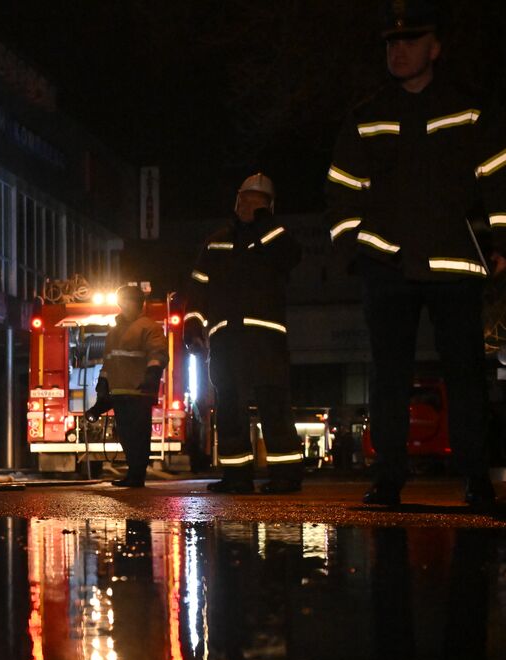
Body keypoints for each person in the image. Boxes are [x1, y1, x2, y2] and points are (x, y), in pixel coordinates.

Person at [325, 0, 506, 509]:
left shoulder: (471, 108)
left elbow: (498, 178)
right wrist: (355, 249)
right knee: (389, 376)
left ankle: (476, 479)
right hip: (388, 266)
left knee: (465, 375)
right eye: (391, 43)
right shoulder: (365, 116)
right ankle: (387, 479)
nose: (397, 51)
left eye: (409, 41)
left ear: (435, 47)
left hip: (454, 262)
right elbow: (340, 189)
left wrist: (501, 244)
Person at [184, 173, 305, 493]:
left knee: (274, 404)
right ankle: (236, 476)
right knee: (229, 408)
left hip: (266, 338)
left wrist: (264, 223)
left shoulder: (275, 237)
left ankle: (286, 476)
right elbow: (199, 287)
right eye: (243, 199)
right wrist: (193, 323)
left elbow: (291, 255)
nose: (247, 205)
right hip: (226, 338)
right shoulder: (216, 241)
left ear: (269, 207)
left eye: (256, 201)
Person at [86, 284, 168, 487]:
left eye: (128, 302)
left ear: (139, 304)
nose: (125, 306)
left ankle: (137, 475)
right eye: (123, 302)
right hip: (120, 393)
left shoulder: (149, 327)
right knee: (126, 436)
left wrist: (152, 374)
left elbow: (158, 354)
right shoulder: (114, 331)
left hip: (139, 392)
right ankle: (133, 473)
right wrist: (103, 386)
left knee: (138, 436)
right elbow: (109, 362)